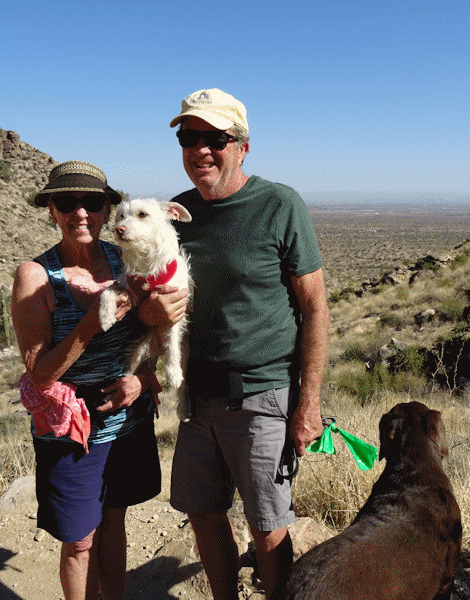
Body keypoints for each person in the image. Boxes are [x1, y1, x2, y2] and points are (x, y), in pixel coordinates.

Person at [165, 88, 329, 600]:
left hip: (262, 393)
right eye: (190, 137)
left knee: (267, 521)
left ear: (242, 147)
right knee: (203, 511)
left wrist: (309, 403)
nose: (202, 150)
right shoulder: (176, 215)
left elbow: (315, 309)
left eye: (217, 138)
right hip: (196, 399)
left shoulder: (279, 205)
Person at [11, 161, 170, 600]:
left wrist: (143, 378)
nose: (80, 213)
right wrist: (89, 326)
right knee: (80, 539)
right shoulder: (36, 275)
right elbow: (39, 373)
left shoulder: (128, 260)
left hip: (127, 416)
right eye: (67, 202)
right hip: (72, 427)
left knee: (114, 520)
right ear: (51, 211)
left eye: (93, 203)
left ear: (106, 212)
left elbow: (154, 328)